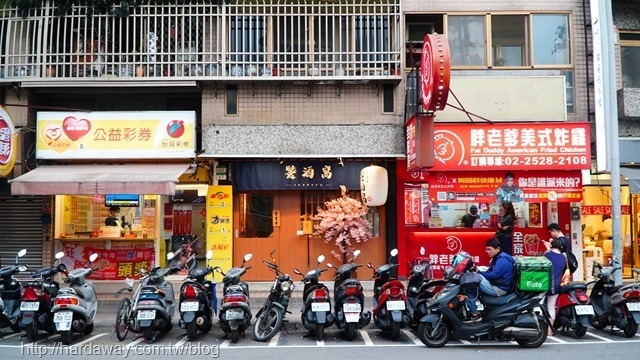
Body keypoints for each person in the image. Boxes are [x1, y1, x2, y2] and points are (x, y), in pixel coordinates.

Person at [463, 237, 515, 322]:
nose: (487, 252)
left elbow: (493, 275)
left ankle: (474, 314)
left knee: (474, 281)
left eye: (489, 249)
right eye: (486, 249)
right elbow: (489, 271)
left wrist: (478, 273)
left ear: (497, 249)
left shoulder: (502, 260)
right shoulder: (497, 258)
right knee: (469, 288)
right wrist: (478, 271)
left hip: (499, 289)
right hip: (495, 284)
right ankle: (474, 314)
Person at [543, 238, 567, 336]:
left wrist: (548, 247)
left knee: (538, 305)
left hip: (544, 284)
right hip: (556, 285)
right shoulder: (563, 258)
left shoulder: (548, 254)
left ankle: (538, 327)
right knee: (551, 307)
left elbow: (546, 257)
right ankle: (550, 330)